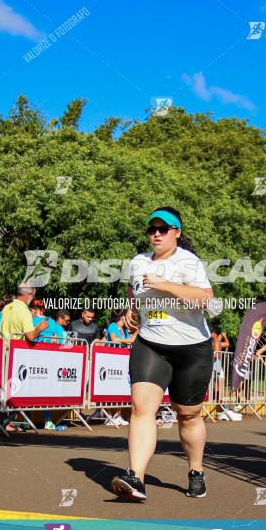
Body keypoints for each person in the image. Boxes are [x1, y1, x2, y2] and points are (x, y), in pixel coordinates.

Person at [110, 206, 214, 501]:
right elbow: (135, 291)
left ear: (177, 233)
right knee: (141, 408)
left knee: (188, 415)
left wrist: (166, 285)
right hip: (151, 344)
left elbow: (206, 300)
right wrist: (131, 310)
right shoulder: (138, 262)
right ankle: (136, 478)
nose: (156, 234)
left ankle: (196, 471)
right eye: (151, 229)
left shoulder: (189, 263)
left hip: (191, 348)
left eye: (163, 229)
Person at [0, 285, 49, 433]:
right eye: (33, 296)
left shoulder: (7, 307)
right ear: (28, 295)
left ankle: (4, 420)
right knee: (14, 389)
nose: (33, 299)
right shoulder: (24, 311)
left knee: (4, 388)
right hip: (15, 355)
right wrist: (40, 327)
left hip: (3, 350)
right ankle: (7, 422)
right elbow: (30, 335)